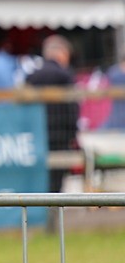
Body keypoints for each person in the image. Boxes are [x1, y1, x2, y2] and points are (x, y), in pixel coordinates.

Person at [25, 34, 78, 193]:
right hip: (60, 135)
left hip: (37, 134)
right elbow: (72, 108)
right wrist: (73, 133)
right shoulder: (65, 75)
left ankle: (41, 213)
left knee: (41, 179)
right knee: (57, 181)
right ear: (62, 53)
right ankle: (54, 214)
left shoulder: (32, 76)